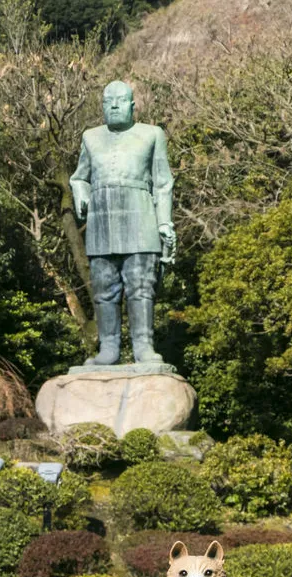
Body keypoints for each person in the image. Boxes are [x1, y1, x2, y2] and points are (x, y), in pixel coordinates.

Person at [70, 80, 176, 365]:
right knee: (104, 286)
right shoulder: (90, 137)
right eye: (108, 100)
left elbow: (163, 183)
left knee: (141, 285)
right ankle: (109, 348)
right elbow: (80, 176)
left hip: (140, 217)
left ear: (132, 105)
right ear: (102, 105)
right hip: (101, 221)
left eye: (120, 100)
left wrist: (164, 223)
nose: (114, 105)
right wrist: (81, 192)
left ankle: (143, 346)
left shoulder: (152, 134)